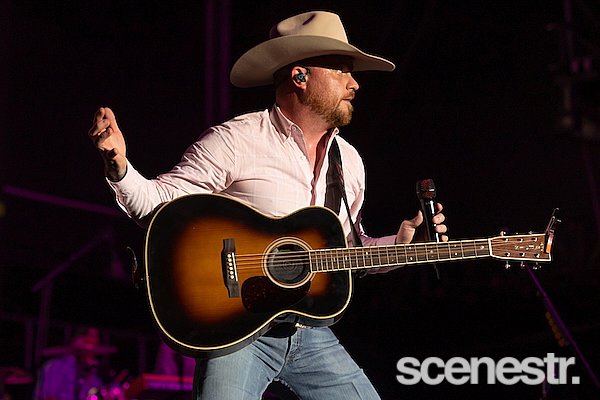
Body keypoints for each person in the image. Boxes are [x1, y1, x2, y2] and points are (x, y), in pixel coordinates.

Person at [89, 10, 448, 400]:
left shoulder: (349, 162)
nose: (354, 83)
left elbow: (345, 250)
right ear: (300, 76)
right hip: (238, 330)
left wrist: (401, 244)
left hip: (310, 333)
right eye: (341, 70)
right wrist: (120, 166)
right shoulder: (237, 140)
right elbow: (158, 207)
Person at [33, 327, 105, 400]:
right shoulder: (57, 366)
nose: (93, 342)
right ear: (76, 339)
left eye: (95, 338)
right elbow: (49, 397)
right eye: (88, 340)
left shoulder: (93, 371)